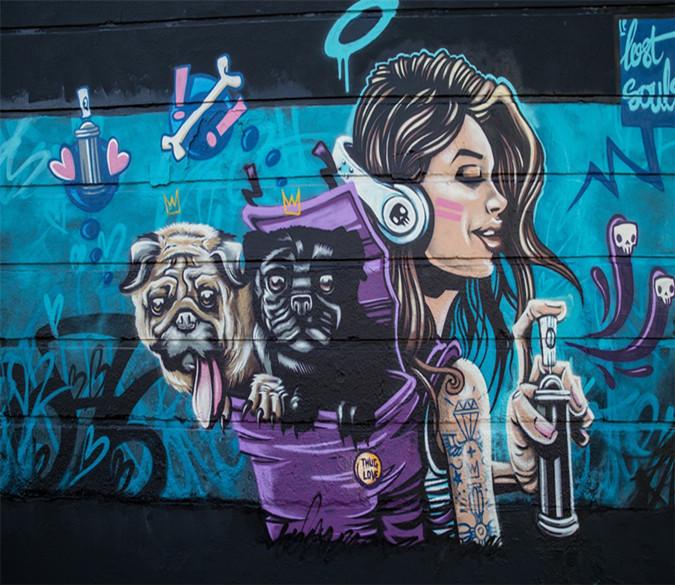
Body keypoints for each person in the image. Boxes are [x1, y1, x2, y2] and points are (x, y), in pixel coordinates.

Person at [344, 49, 595, 544]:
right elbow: (476, 547)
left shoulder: (405, 359)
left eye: (497, 178)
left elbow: (434, 485)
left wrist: (522, 470)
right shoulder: (442, 380)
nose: (500, 200)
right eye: (469, 176)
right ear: (400, 207)